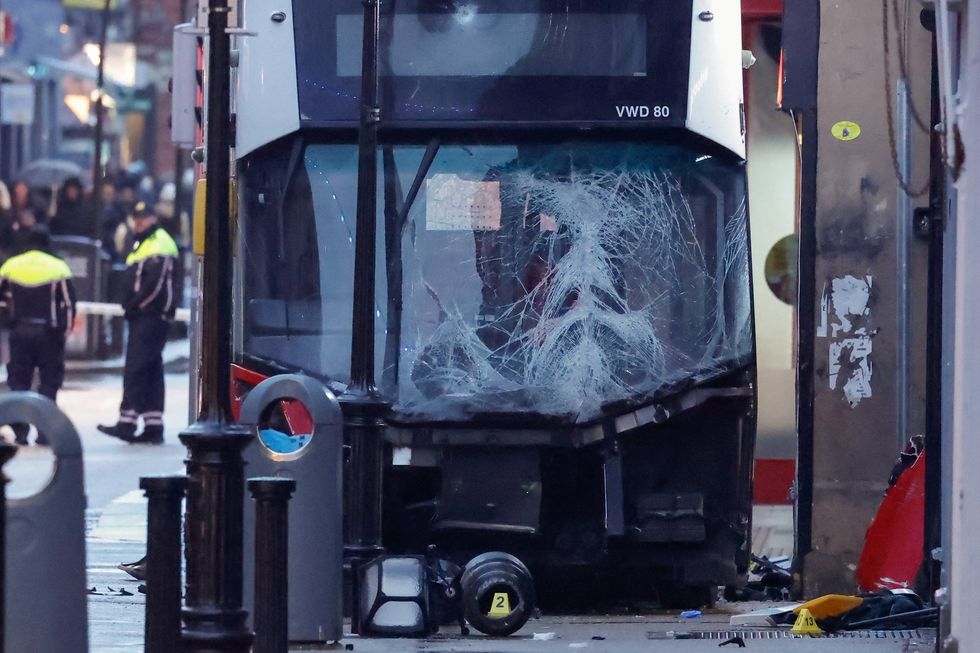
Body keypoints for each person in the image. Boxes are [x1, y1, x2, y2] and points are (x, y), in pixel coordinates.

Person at [98, 202, 179, 445]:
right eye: (136, 218)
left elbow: (155, 285)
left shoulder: (159, 242)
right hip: (146, 316)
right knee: (151, 370)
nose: (138, 222)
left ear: (153, 218)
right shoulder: (143, 242)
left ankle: (127, 422)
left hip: (150, 316)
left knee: (136, 368)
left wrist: (135, 305)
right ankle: (153, 426)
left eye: (143, 218)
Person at [0, 225, 76, 446]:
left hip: (20, 332)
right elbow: (69, 304)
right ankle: (45, 431)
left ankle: (21, 431)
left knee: (19, 382)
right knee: (49, 383)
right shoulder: (58, 267)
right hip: (49, 334)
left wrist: (7, 323)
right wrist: (64, 332)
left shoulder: (11, 266)